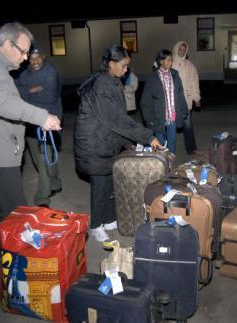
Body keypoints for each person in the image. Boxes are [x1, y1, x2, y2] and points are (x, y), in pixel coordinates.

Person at [0, 22, 61, 264]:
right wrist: (42, 117)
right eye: (24, 51)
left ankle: (1, 250)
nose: (27, 57)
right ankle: (22, 261)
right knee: (17, 211)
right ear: (8, 44)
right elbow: (0, 102)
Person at [74, 44, 162, 243]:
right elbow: (118, 121)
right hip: (93, 144)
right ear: (111, 64)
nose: (126, 70)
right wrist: (147, 137)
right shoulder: (101, 87)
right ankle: (96, 225)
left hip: (104, 141)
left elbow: (115, 121)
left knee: (108, 183)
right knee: (99, 186)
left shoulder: (111, 81)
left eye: (127, 66)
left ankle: (107, 219)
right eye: (123, 66)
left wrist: (126, 141)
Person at [15, 43, 63, 207]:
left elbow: (48, 97)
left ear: (43, 57)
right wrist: (33, 89)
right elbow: (15, 91)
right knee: (39, 158)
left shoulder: (51, 72)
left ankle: (43, 196)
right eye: (32, 57)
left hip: (48, 121)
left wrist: (26, 93)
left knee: (43, 158)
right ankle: (55, 184)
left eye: (38, 57)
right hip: (29, 120)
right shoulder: (24, 73)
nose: (35, 61)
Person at [140, 49, 188, 153]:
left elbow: (180, 94)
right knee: (159, 141)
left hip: (172, 115)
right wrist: (148, 118)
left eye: (171, 60)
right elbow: (146, 100)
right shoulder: (153, 78)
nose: (171, 62)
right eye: (168, 60)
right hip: (159, 117)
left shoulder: (175, 75)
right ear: (161, 61)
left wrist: (184, 111)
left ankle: (170, 162)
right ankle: (160, 163)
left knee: (172, 140)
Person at [172, 41, 201, 155]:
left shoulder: (189, 65)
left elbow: (195, 82)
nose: (182, 51)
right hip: (173, 101)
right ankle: (168, 149)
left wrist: (196, 98)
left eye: (184, 49)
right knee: (170, 126)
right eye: (180, 49)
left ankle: (191, 149)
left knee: (187, 125)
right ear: (176, 49)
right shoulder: (170, 63)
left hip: (186, 100)